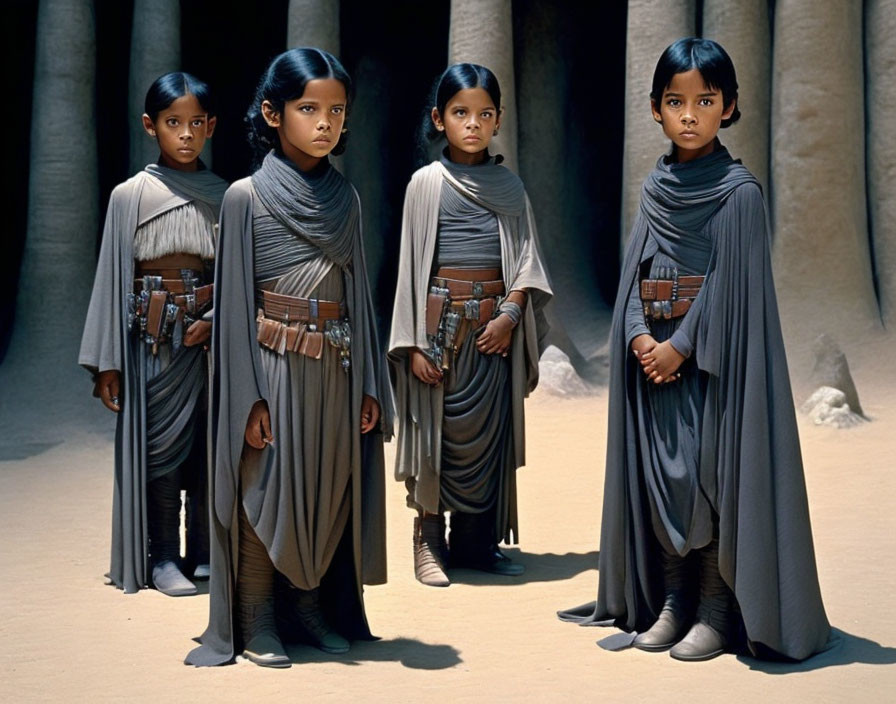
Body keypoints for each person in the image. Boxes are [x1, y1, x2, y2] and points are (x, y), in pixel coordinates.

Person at [559, 38, 831, 662]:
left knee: (705, 483)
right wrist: (637, 337)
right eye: (675, 101)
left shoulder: (740, 194)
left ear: (729, 107)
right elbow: (634, 275)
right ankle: (674, 604)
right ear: (655, 108)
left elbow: (730, 289)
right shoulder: (655, 188)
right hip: (653, 365)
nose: (689, 114)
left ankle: (713, 610)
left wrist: (679, 346)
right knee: (658, 481)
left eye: (704, 100)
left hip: (707, 371)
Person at [185, 48, 391, 669]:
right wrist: (247, 395)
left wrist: (370, 385)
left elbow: (360, 298)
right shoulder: (245, 198)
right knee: (262, 488)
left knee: (327, 489)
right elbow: (234, 304)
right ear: (273, 114)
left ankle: (306, 609)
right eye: (309, 109)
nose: (325, 122)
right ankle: (256, 618)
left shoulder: (347, 200)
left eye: (336, 110)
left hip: (335, 367)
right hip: (270, 370)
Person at [388, 63, 552, 588]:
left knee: (487, 437)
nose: (473, 124)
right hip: (437, 334)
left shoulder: (510, 187)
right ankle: (429, 541)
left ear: (499, 119)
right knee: (437, 435)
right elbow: (410, 272)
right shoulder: (425, 185)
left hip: (494, 335)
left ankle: (477, 543)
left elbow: (527, 259)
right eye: (461, 113)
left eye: (484, 114)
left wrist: (511, 314)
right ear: (440, 118)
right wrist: (413, 344)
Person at [80, 72, 227, 597]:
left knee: (210, 444)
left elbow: (238, 275)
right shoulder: (130, 196)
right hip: (153, 344)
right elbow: (109, 279)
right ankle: (162, 555)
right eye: (172, 123)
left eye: (195, 123)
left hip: (211, 345)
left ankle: (206, 550)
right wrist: (108, 363)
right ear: (150, 126)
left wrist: (220, 319)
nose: (185, 134)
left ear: (210, 126)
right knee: (161, 448)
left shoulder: (227, 196)